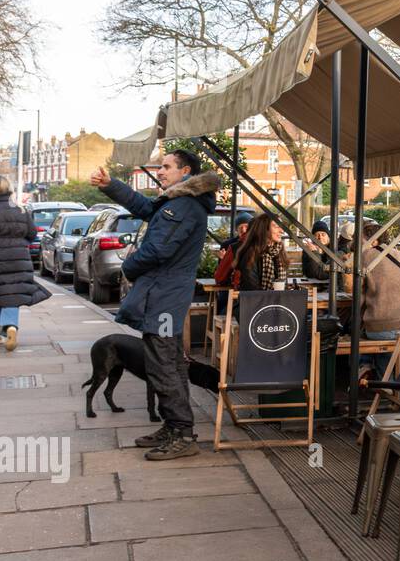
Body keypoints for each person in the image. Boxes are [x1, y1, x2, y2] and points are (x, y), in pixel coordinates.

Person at [91, 151, 220, 461]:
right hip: (164, 296)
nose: (160, 171)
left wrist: (129, 266)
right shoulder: (179, 201)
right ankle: (174, 426)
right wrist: (111, 185)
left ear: (185, 171)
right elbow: (147, 208)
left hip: (165, 299)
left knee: (164, 365)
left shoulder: (184, 206)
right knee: (169, 363)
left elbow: (159, 250)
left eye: (166, 166)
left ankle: (182, 433)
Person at [0, 175, 50, 351]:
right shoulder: (20, 209)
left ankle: (1, 330)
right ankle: (6, 328)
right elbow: (32, 233)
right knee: (11, 293)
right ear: (9, 189)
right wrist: (21, 244)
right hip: (18, 259)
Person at [340, 217, 400, 380]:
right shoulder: (399, 255)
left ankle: (365, 370)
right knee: (376, 335)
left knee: (356, 330)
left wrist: (347, 266)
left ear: (373, 241)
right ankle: (382, 379)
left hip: (381, 329)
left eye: (360, 240)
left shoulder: (363, 257)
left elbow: (353, 293)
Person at [232, 213, 287, 292]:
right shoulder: (251, 255)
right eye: (276, 226)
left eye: (281, 227)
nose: (282, 231)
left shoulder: (279, 252)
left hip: (277, 299)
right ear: (264, 229)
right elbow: (252, 290)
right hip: (257, 299)